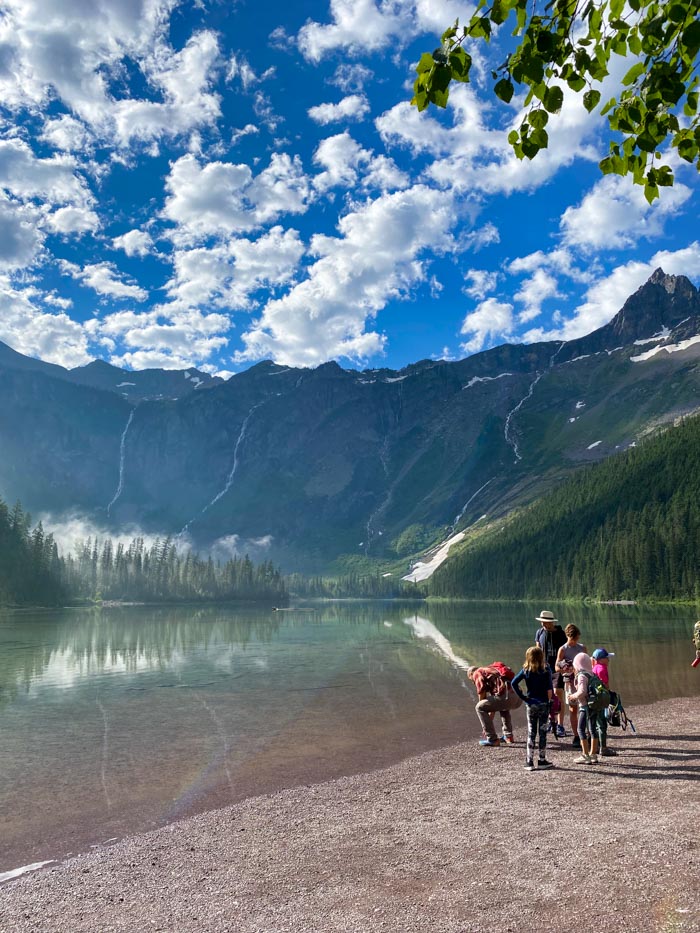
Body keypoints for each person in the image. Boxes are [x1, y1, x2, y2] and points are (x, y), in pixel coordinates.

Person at [511, 645, 555, 771]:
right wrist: (550, 702)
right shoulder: (546, 671)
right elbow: (549, 690)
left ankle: (529, 761)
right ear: (542, 657)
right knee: (542, 733)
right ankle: (542, 760)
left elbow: (513, 682)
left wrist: (523, 697)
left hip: (531, 704)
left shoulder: (526, 670)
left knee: (531, 732)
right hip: (543, 704)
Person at [466, 664, 523, 747]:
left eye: (471, 680)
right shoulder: (492, 672)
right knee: (503, 707)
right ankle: (508, 737)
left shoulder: (477, 673)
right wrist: (488, 720)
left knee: (479, 707)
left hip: (507, 697)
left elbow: (481, 693)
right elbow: (493, 705)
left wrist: (485, 725)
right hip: (518, 698)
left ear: (471, 674)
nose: (473, 682)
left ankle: (492, 739)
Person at [534, 609, 567, 737]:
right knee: (547, 696)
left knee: (558, 694)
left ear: (551, 622)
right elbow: (537, 650)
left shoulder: (561, 634)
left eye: (546, 622)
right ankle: (551, 721)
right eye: (542, 622)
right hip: (544, 670)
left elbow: (566, 650)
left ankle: (560, 725)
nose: (543, 624)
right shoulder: (539, 633)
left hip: (558, 668)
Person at [555, 623, 587, 748]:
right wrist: (564, 669)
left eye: (576, 639)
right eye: (572, 639)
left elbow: (587, 664)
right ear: (568, 636)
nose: (574, 641)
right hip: (570, 683)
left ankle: (585, 734)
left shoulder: (582, 648)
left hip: (582, 681)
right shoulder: (563, 649)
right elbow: (556, 667)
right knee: (573, 710)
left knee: (585, 708)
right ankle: (577, 736)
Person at [567, 653, 599, 764]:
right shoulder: (592, 673)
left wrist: (573, 696)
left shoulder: (582, 675)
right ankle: (593, 754)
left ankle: (585, 755)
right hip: (594, 706)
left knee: (580, 729)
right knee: (593, 729)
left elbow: (582, 691)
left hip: (585, 706)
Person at [592, 648, 617, 757]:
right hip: (601, 699)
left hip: (593, 699)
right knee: (602, 724)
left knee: (595, 723)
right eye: (606, 658)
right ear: (601, 659)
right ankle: (603, 748)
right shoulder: (602, 669)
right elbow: (605, 685)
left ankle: (596, 746)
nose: (608, 659)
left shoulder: (594, 668)